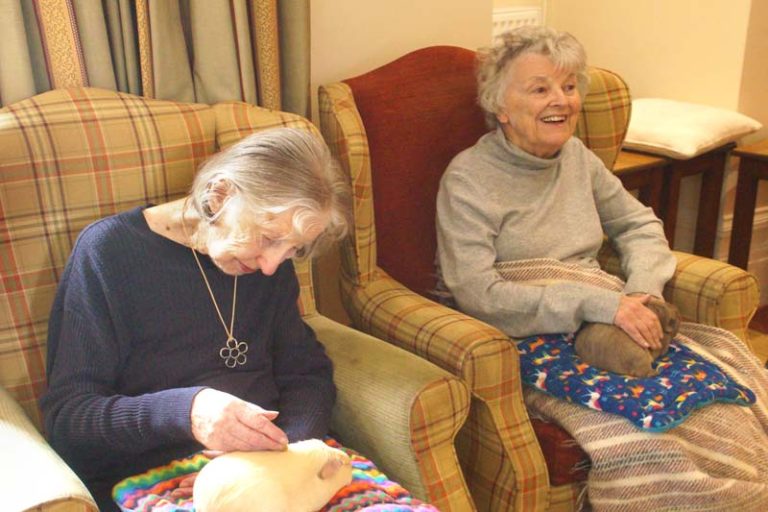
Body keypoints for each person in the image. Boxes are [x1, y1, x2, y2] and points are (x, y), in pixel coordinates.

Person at [436, 26, 768, 511]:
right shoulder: (468, 178)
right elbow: (477, 292)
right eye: (541, 88)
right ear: (501, 108)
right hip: (525, 333)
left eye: (569, 86)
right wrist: (603, 305)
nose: (562, 101)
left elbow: (640, 225)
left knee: (728, 391)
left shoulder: (577, 158)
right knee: (650, 428)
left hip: (611, 313)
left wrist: (641, 294)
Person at [41, 128, 351, 511]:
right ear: (220, 195)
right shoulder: (109, 253)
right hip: (154, 480)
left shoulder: (266, 268)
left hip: (279, 468)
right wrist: (187, 412)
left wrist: (289, 450)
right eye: (269, 238)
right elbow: (69, 419)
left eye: (293, 249)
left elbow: (305, 374)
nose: (272, 266)